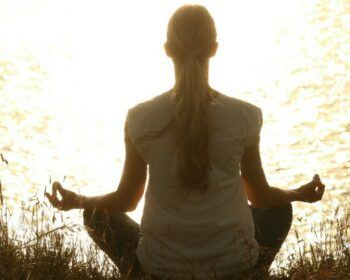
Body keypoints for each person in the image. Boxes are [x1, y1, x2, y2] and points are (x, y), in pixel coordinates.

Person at [45, 4, 325, 280]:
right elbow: (260, 197)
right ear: (214, 48)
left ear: (167, 49)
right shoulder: (245, 116)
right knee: (279, 207)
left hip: (160, 268)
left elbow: (127, 200)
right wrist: (297, 194)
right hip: (233, 264)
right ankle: (250, 274)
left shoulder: (140, 118)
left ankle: (140, 275)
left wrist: (77, 201)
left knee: (96, 214)